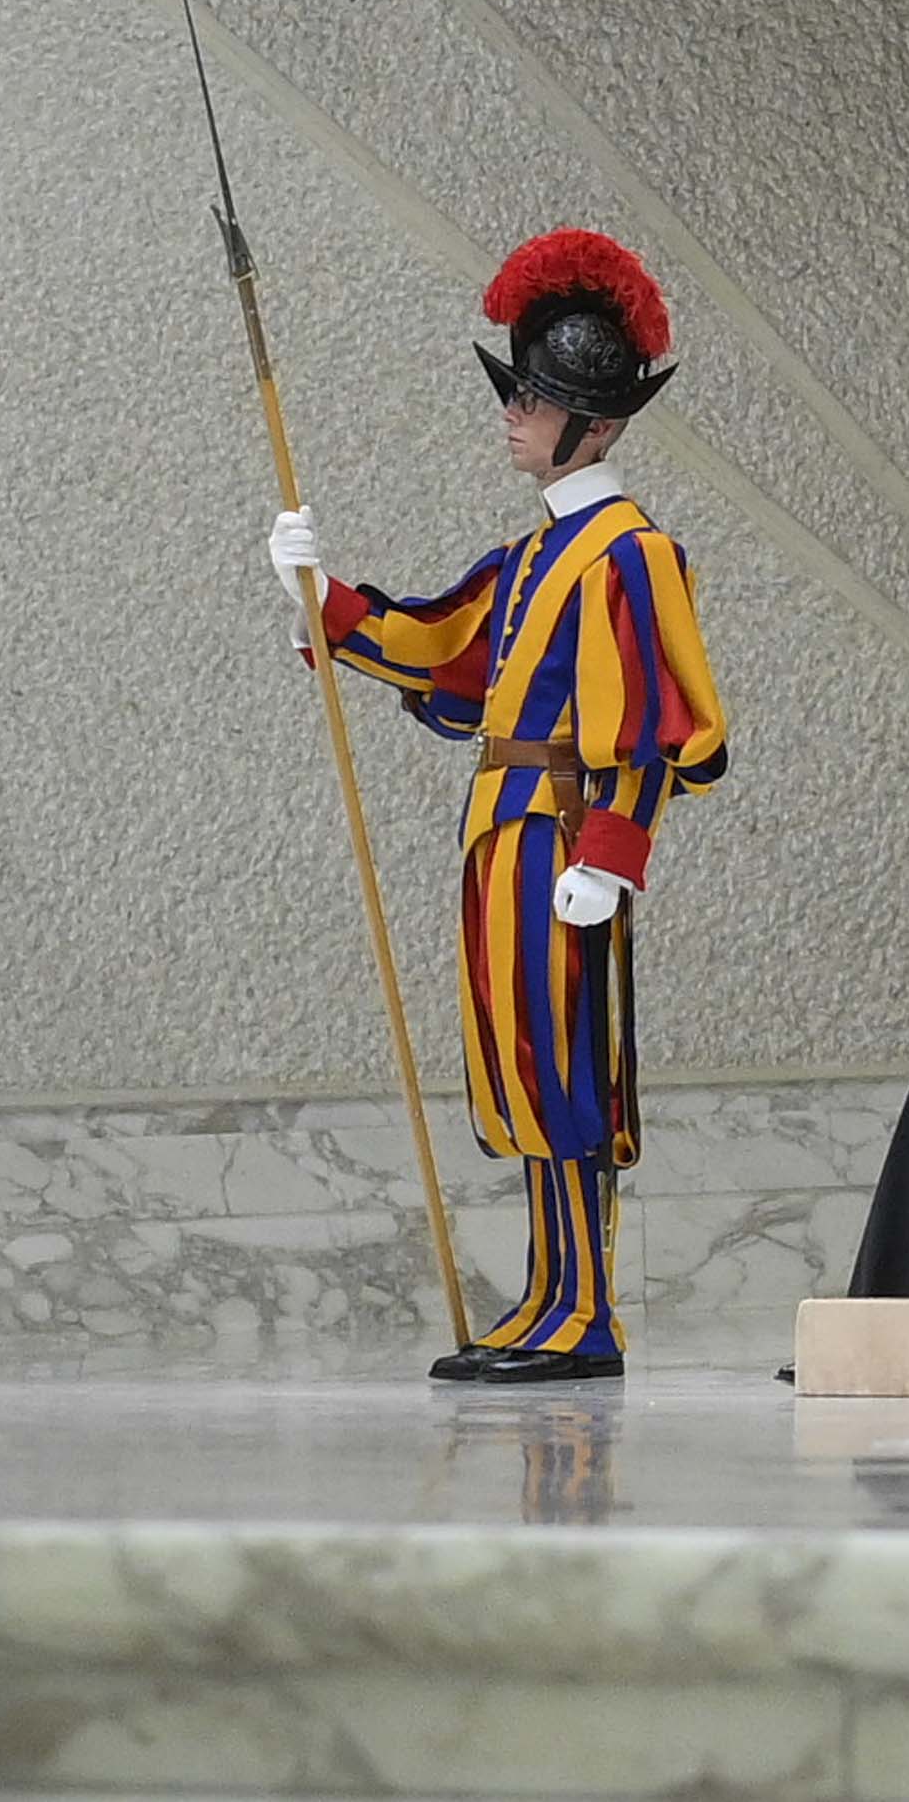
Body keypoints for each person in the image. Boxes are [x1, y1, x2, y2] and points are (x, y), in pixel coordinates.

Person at [274, 229, 728, 1384]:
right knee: (520, 1065)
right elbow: (444, 648)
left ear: (597, 424)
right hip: (502, 835)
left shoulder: (630, 554)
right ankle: (548, 1296)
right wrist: (320, 595)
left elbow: (655, 724)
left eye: (538, 400)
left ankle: (586, 1315)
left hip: (564, 838)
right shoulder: (535, 556)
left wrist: (612, 856)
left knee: (568, 1071)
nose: (514, 415)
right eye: (518, 394)